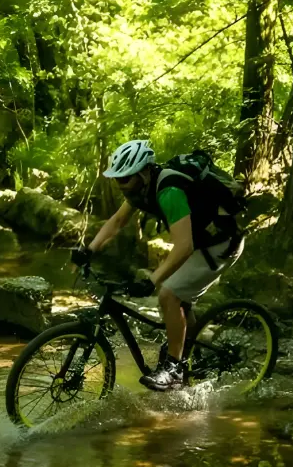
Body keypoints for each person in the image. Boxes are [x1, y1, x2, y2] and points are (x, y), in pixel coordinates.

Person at [73, 138, 244, 391]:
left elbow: (183, 246)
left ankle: (174, 368)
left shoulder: (169, 191)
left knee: (169, 295)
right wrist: (89, 250)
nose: (121, 185)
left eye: (125, 179)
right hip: (200, 243)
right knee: (177, 296)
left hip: (219, 245)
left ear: (143, 172)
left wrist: (152, 279)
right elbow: (117, 221)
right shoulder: (140, 188)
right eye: (117, 179)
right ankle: (188, 349)